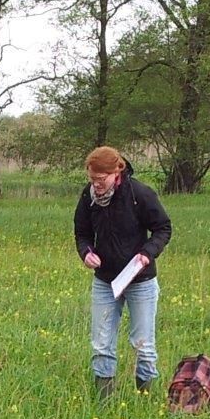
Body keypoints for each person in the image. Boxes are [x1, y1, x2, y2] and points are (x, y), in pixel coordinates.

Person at [73, 146, 171, 399]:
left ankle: (144, 401)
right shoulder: (88, 197)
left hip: (140, 281)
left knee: (143, 346)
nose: (97, 185)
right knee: (101, 344)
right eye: (92, 179)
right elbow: (82, 233)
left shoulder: (140, 194)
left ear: (117, 172)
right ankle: (104, 402)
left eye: (101, 179)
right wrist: (86, 253)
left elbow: (163, 228)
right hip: (105, 281)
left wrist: (147, 253)